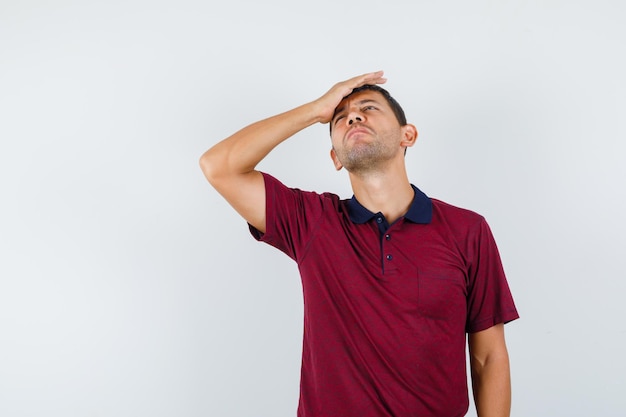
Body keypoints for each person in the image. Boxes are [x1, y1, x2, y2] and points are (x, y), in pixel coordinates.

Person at [200, 71, 519, 417]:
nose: (353, 116)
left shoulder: (467, 229)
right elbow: (219, 167)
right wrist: (314, 110)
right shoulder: (312, 222)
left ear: (407, 135)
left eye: (369, 108)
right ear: (336, 157)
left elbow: (488, 357)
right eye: (340, 118)